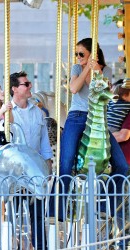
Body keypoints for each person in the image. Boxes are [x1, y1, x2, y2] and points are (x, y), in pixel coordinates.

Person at [49, 38, 128, 222]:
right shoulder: (77, 68)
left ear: (92, 53)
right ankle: (56, 210)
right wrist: (86, 66)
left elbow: (105, 91)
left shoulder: (105, 70)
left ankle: (103, 205)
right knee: (66, 162)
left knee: (121, 165)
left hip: (98, 119)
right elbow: (74, 89)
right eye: (76, 54)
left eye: (81, 54)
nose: (78, 57)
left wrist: (96, 69)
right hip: (77, 117)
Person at [10, 71, 53, 250]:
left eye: (29, 84)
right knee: (13, 213)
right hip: (15, 171)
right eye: (26, 84)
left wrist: (48, 162)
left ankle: (40, 246)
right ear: (14, 89)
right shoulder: (8, 113)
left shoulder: (38, 112)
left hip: (35, 169)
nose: (30, 87)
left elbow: (44, 139)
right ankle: (12, 245)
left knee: (37, 213)